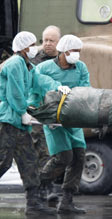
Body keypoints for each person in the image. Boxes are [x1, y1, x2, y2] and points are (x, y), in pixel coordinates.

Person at [0, 31, 70, 215]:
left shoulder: (28, 66)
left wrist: (57, 86)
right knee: (3, 162)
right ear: (23, 48)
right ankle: (33, 203)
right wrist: (23, 112)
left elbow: (39, 81)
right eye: (32, 45)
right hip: (7, 120)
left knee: (29, 162)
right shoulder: (14, 64)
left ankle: (33, 204)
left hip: (19, 123)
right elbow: (14, 93)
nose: (35, 48)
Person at [35, 34, 90, 214]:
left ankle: (67, 200)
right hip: (53, 120)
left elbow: (85, 89)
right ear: (65, 51)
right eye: (75, 51)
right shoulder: (44, 68)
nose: (77, 55)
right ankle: (37, 183)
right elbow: (34, 88)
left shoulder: (80, 68)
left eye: (79, 52)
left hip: (73, 118)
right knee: (64, 157)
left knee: (79, 156)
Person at [28, 25, 61, 202]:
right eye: (45, 40)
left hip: (59, 114)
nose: (47, 44)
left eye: (51, 40)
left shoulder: (64, 61)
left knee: (62, 154)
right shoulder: (34, 61)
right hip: (38, 113)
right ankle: (47, 189)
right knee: (42, 151)